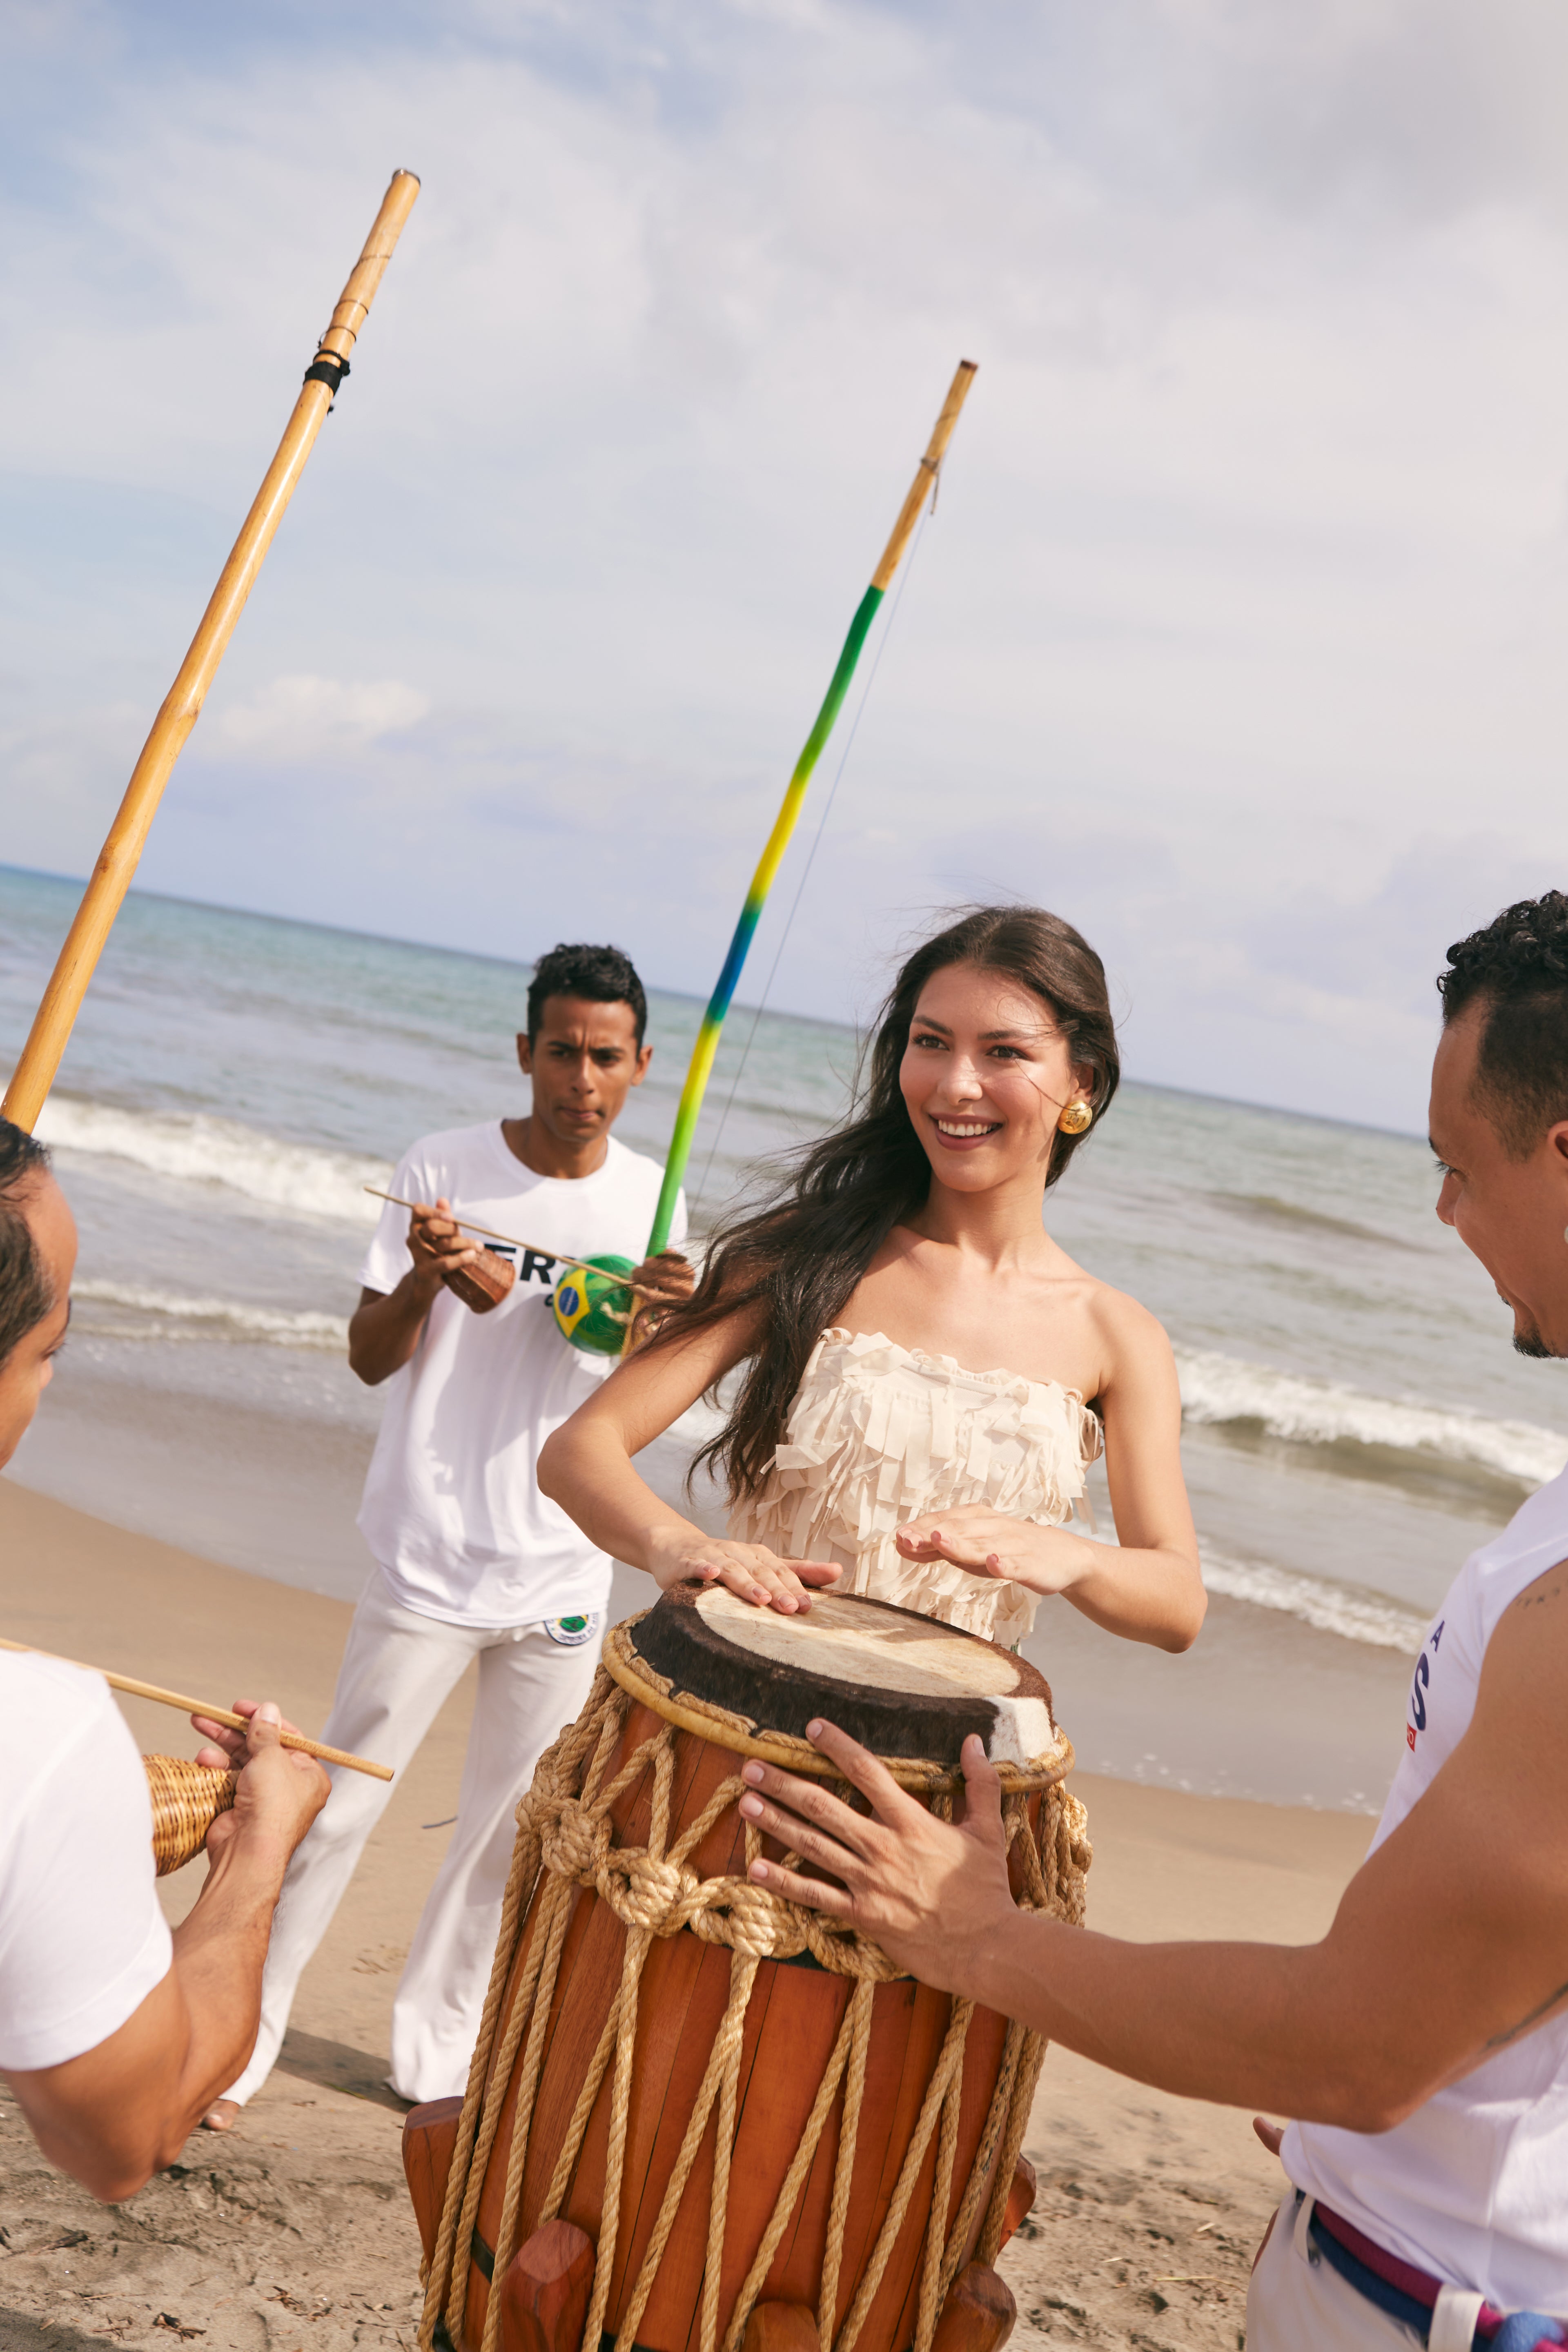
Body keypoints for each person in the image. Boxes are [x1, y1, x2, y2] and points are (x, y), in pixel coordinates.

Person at [728, 893, 1568, 2348]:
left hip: (1450, 2309)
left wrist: (979, 1935)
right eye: (930, 1044)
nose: (1445, 1213)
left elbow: (1359, 2044)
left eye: (1456, 1166)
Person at [204, 942, 691, 2127]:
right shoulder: (443, 1167)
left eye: (607, 1056)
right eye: (563, 1051)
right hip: (428, 1549)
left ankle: (436, 2058)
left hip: (564, 1562)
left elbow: (640, 1392)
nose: (583, 1076)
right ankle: (241, 2039)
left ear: (639, 1067)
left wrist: (665, 1327)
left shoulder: (658, 1200)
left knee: (505, 1835)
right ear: (525, 1052)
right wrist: (426, 1280)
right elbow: (369, 1358)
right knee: (343, 1805)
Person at [541, 904, 1205, 1654]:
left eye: (1003, 1052)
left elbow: (1178, 1602)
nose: (958, 1084)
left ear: (1080, 1082)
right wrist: (676, 1545)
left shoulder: (1118, 1336)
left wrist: (1077, 1558)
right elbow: (578, 1448)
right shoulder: (804, 1255)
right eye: (932, 1043)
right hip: (730, 1722)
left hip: (937, 1765)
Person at [0, 1119, 327, 2200]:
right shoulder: (39, 1735)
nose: (48, 1384)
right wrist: (257, 1855)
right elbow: (129, 2140)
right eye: (50, 1347)